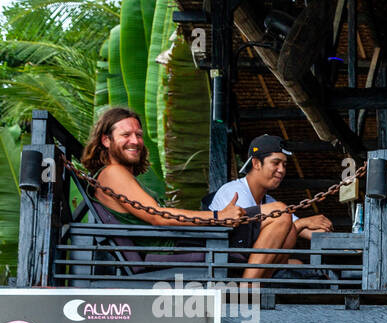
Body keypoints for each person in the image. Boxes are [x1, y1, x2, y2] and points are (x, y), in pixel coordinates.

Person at [81, 107, 288, 281]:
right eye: (126, 135)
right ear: (106, 141)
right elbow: (157, 216)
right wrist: (218, 217)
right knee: (279, 213)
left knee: (287, 228)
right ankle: (247, 289)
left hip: (183, 241)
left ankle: (250, 286)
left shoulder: (115, 174)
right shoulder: (112, 172)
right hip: (174, 247)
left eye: (139, 135)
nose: (135, 141)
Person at [208, 134, 333, 247]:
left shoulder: (268, 201)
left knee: (297, 264)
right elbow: (249, 236)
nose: (282, 170)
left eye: (284, 165)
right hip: (223, 263)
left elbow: (306, 230)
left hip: (243, 260)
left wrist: (322, 228)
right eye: (276, 163)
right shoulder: (234, 192)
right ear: (256, 163)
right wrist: (302, 223)